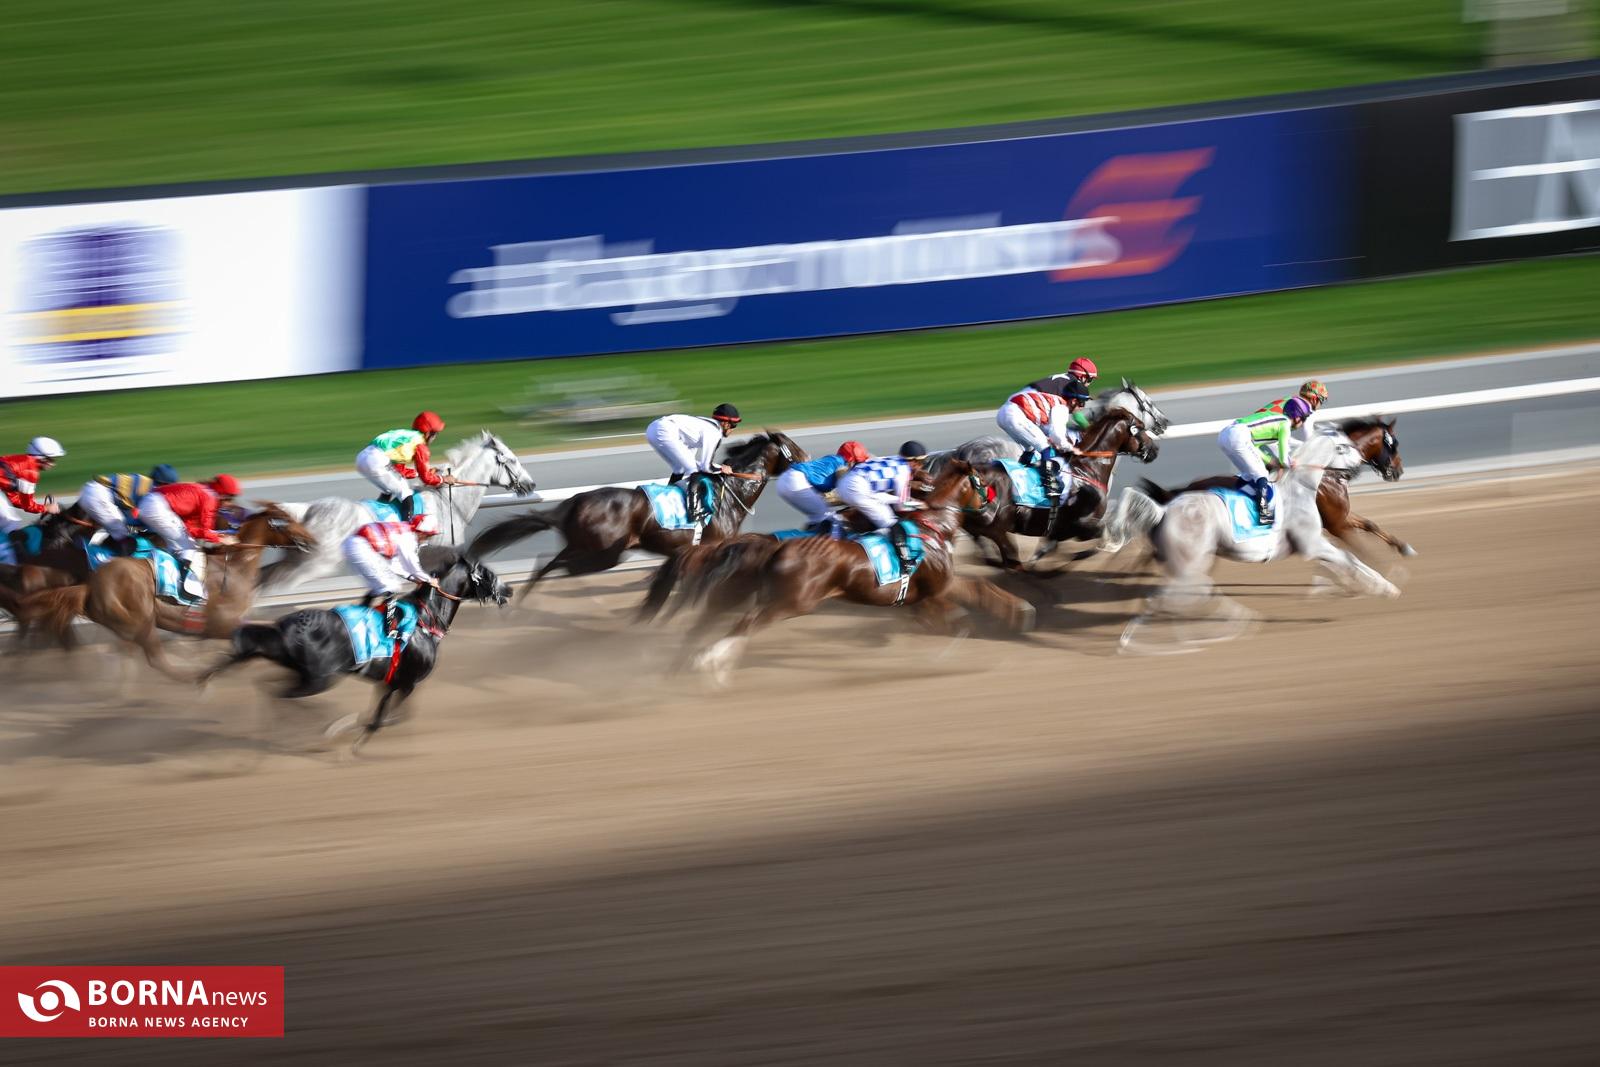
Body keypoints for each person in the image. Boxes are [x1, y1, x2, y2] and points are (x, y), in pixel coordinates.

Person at [1217, 381, 1327, 524]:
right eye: (1303, 419)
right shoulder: (1286, 423)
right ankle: (1264, 514)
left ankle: (1240, 502)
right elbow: (1284, 458)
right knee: (1261, 474)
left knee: (1248, 476)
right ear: (1298, 417)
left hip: (1227, 434)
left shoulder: (1286, 409)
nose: (1302, 423)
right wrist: (1290, 463)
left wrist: (1271, 460)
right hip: (1240, 436)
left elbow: (1257, 445)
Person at [137, 474, 240, 599]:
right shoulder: (210, 498)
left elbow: (191, 529)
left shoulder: (205, 491)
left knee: (182, 543)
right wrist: (222, 539)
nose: (230, 503)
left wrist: (218, 535)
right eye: (229, 498)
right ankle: (185, 588)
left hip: (151, 503)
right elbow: (204, 531)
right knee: (188, 547)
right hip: (157, 507)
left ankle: (167, 579)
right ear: (222, 494)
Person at [996, 375, 1092, 501]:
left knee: (1030, 448)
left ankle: (1021, 474)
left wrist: (1056, 441)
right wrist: (1071, 448)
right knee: (1044, 447)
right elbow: (1057, 436)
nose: (1082, 407)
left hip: (1005, 414)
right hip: (1014, 415)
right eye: (1082, 403)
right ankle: (1050, 486)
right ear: (1073, 401)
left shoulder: (1054, 401)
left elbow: (1049, 431)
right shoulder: (1062, 408)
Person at [644, 403, 742, 526]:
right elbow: (707, 467)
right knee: (693, 470)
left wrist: (717, 468)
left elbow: (693, 461)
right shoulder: (714, 433)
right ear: (726, 424)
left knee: (680, 468)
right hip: (664, 430)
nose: (733, 429)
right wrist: (722, 468)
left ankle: (668, 497)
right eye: (734, 425)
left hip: (652, 429)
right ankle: (694, 512)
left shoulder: (700, 428)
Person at [835, 441, 930, 568]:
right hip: (857, 489)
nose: (921, 466)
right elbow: (901, 506)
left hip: (846, 483)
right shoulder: (904, 471)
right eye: (921, 462)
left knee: (884, 506)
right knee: (892, 523)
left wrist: (908, 501)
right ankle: (905, 561)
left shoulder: (892, 459)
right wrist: (919, 505)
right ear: (913, 461)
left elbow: (887, 497)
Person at [343, 513, 442, 631]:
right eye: (428, 536)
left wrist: (414, 578)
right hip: (360, 546)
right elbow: (412, 565)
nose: (427, 539)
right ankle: (390, 628)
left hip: (354, 544)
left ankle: (361, 614)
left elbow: (394, 565)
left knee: (379, 587)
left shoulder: (404, 531)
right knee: (391, 587)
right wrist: (429, 580)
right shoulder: (408, 537)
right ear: (421, 532)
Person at [358, 412, 455, 519]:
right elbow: (426, 479)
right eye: (435, 434)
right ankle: (407, 527)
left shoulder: (407, 437)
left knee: (389, 489)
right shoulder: (420, 445)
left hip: (363, 457)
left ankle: (380, 517)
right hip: (377, 460)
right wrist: (443, 479)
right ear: (428, 433)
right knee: (405, 493)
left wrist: (419, 473)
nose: (435, 437)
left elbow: (400, 471)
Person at [77, 464, 179, 550]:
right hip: (99, 497)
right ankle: (108, 563)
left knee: (119, 531)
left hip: (90, 490)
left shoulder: (144, 481)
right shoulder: (152, 490)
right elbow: (148, 519)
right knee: (124, 538)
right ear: (165, 484)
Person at [775, 440, 869, 531]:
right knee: (827, 518)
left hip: (785, 480)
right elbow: (847, 495)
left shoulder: (833, 460)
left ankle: (805, 536)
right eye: (858, 463)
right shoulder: (843, 466)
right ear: (852, 461)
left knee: (817, 517)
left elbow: (828, 498)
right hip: (796, 481)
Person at [0, 437, 66, 534]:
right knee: (11, 523)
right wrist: (46, 508)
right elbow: (28, 506)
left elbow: (14, 499)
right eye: (51, 460)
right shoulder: (30, 471)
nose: (53, 464)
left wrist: (42, 507)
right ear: (42, 458)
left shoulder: (19, 461)